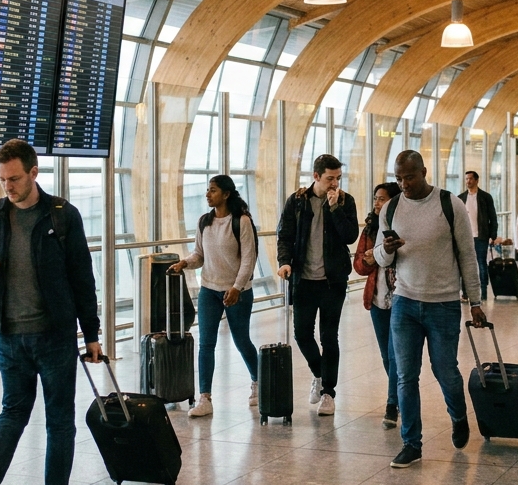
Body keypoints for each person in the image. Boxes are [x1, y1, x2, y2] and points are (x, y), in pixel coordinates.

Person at [0, 139, 101, 485]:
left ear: (34, 172)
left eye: (14, 178)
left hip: (54, 335)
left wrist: (90, 333)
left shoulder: (62, 215)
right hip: (11, 337)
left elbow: (82, 277)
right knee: (37, 417)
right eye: (2, 179)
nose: (7, 186)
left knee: (44, 418)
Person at [375, 151, 487, 468]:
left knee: (445, 371)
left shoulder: (451, 205)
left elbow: (468, 256)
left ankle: (458, 414)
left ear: (424, 171)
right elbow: (379, 259)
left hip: (444, 304)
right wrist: (386, 249)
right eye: (398, 178)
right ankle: (412, 443)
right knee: (405, 377)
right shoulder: (391, 208)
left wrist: (475, 302)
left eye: (409, 177)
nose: (403, 184)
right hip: (405, 303)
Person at [276, 154, 360, 416]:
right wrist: (284, 261)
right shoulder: (297, 201)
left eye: (338, 178)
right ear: (316, 176)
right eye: (329, 178)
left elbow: (350, 236)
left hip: (333, 281)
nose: (334, 184)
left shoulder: (346, 201)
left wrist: (335, 208)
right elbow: (285, 234)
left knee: (328, 336)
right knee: (301, 333)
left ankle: (328, 393)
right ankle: (319, 375)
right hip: (303, 279)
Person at [170, 175, 260, 418]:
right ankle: (205, 397)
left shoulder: (242, 222)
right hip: (209, 290)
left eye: (213, 191)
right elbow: (199, 255)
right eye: (207, 191)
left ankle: (258, 380)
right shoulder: (204, 222)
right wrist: (185, 263)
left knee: (241, 341)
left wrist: (236, 288)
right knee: (206, 343)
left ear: (226, 194)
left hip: (237, 292)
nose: (208, 195)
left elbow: (249, 260)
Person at [354, 182, 403, 427]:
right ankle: (400, 396)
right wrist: (372, 259)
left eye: (382, 199)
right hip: (376, 299)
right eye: (375, 199)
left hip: (401, 299)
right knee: (386, 355)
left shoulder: (404, 227)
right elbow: (359, 266)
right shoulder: (370, 229)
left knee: (395, 355)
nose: (377, 204)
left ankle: (392, 405)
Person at [458, 171, 498, 301]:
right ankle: (465, 293)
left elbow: (493, 217)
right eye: (466, 179)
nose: (468, 181)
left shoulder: (485, 197)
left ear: (476, 180)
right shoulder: (460, 198)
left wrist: (493, 235)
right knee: (465, 264)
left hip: (481, 236)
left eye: (470, 179)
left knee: (481, 264)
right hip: (465, 237)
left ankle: (483, 293)